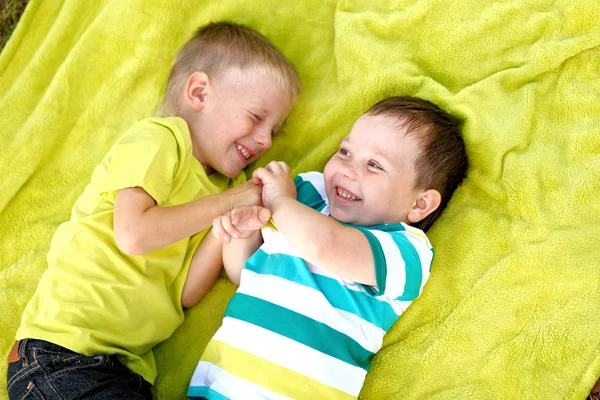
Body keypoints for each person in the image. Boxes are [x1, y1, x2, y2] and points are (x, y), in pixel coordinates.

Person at [7, 22, 300, 400]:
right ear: (199, 93)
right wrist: (229, 201)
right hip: (61, 353)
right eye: (256, 117)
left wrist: (237, 220)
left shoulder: (224, 188)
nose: (265, 140)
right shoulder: (161, 139)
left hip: (126, 370)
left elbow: (186, 294)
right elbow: (134, 234)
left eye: (275, 131)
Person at [187, 96, 468, 399]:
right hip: (218, 385)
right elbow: (246, 274)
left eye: (374, 165)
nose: (347, 169)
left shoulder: (404, 249)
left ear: (419, 204)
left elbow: (326, 244)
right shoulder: (308, 194)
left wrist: (281, 202)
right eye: (345, 151)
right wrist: (242, 231)